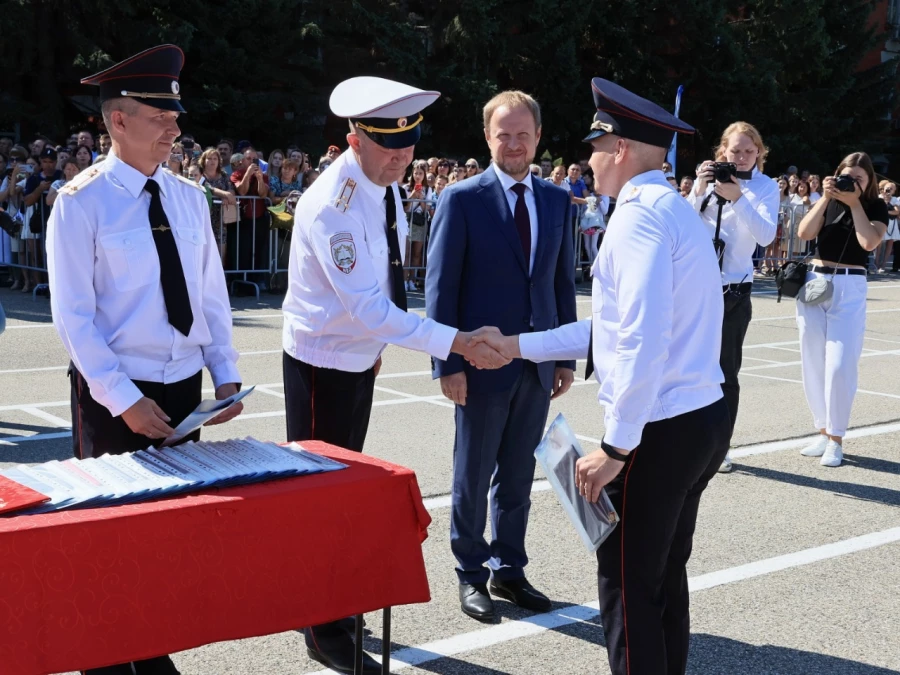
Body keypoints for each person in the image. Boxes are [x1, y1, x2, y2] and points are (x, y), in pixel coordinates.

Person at [471, 77, 729, 675]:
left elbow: (638, 339)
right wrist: (516, 345)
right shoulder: (672, 210)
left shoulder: (638, 219)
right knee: (661, 573)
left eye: (594, 146)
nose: (587, 160)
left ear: (619, 149)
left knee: (625, 583)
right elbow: (612, 329)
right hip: (696, 417)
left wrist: (615, 446)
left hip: (658, 428)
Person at [281, 75, 507, 675]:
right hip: (320, 365)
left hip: (357, 358)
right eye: (389, 146)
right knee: (317, 502)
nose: (402, 157)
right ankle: (321, 625)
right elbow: (369, 308)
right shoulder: (334, 204)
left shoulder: (383, 187)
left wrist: (380, 346)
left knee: (346, 493)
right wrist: (455, 341)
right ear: (354, 139)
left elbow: (387, 283)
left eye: (408, 146)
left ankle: (337, 604)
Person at [46, 44, 243, 675]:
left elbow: (210, 292)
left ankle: (151, 647)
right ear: (118, 121)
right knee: (108, 539)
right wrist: (124, 401)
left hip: (184, 393)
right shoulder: (81, 203)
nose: (175, 129)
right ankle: (106, 659)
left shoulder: (187, 197)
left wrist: (227, 372)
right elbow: (74, 319)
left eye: (175, 116)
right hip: (115, 399)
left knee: (165, 540)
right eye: (161, 117)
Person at [426, 89, 577, 624]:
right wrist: (448, 362)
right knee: (472, 474)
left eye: (522, 134)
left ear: (538, 137)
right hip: (480, 363)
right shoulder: (462, 198)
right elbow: (440, 288)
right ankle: (470, 574)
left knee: (517, 477)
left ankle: (510, 569)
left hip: (536, 366)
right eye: (502, 134)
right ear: (487, 138)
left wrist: (563, 358)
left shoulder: (558, 201)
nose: (513, 144)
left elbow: (561, 284)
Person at [687, 122, 778, 472]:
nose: (740, 158)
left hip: (733, 292)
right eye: (734, 151)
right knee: (689, 367)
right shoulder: (707, 181)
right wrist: (698, 188)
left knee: (725, 372)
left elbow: (766, 236)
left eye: (748, 151)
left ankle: (720, 447)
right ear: (721, 151)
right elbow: (681, 220)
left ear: (759, 153)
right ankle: (690, 438)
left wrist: (738, 197)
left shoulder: (765, 187)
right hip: (696, 288)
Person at [795, 152, 888, 467]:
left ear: (869, 182)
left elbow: (869, 242)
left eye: (859, 179)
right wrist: (825, 197)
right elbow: (805, 234)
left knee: (839, 364)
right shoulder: (828, 199)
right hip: (815, 280)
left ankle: (836, 437)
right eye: (846, 176)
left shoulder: (875, 207)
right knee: (812, 360)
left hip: (849, 285)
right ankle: (821, 429)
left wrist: (855, 202)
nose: (851, 183)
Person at [402, 159, 432, 291]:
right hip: (407, 221)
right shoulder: (406, 188)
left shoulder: (428, 189)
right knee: (406, 253)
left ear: (424, 175)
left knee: (417, 253)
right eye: (416, 173)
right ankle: (404, 280)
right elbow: (405, 208)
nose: (418, 176)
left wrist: (422, 199)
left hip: (419, 222)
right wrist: (413, 195)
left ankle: (412, 281)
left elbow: (426, 210)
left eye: (420, 173)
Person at [875, 180, 899, 272]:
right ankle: (876, 264)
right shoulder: (879, 198)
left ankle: (883, 265)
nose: (889, 190)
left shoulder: (894, 199)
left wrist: (888, 207)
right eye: (888, 188)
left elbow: (897, 211)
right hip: (882, 222)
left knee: (890, 243)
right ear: (883, 189)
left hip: (892, 224)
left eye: (892, 189)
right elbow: (877, 210)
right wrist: (885, 201)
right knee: (879, 244)